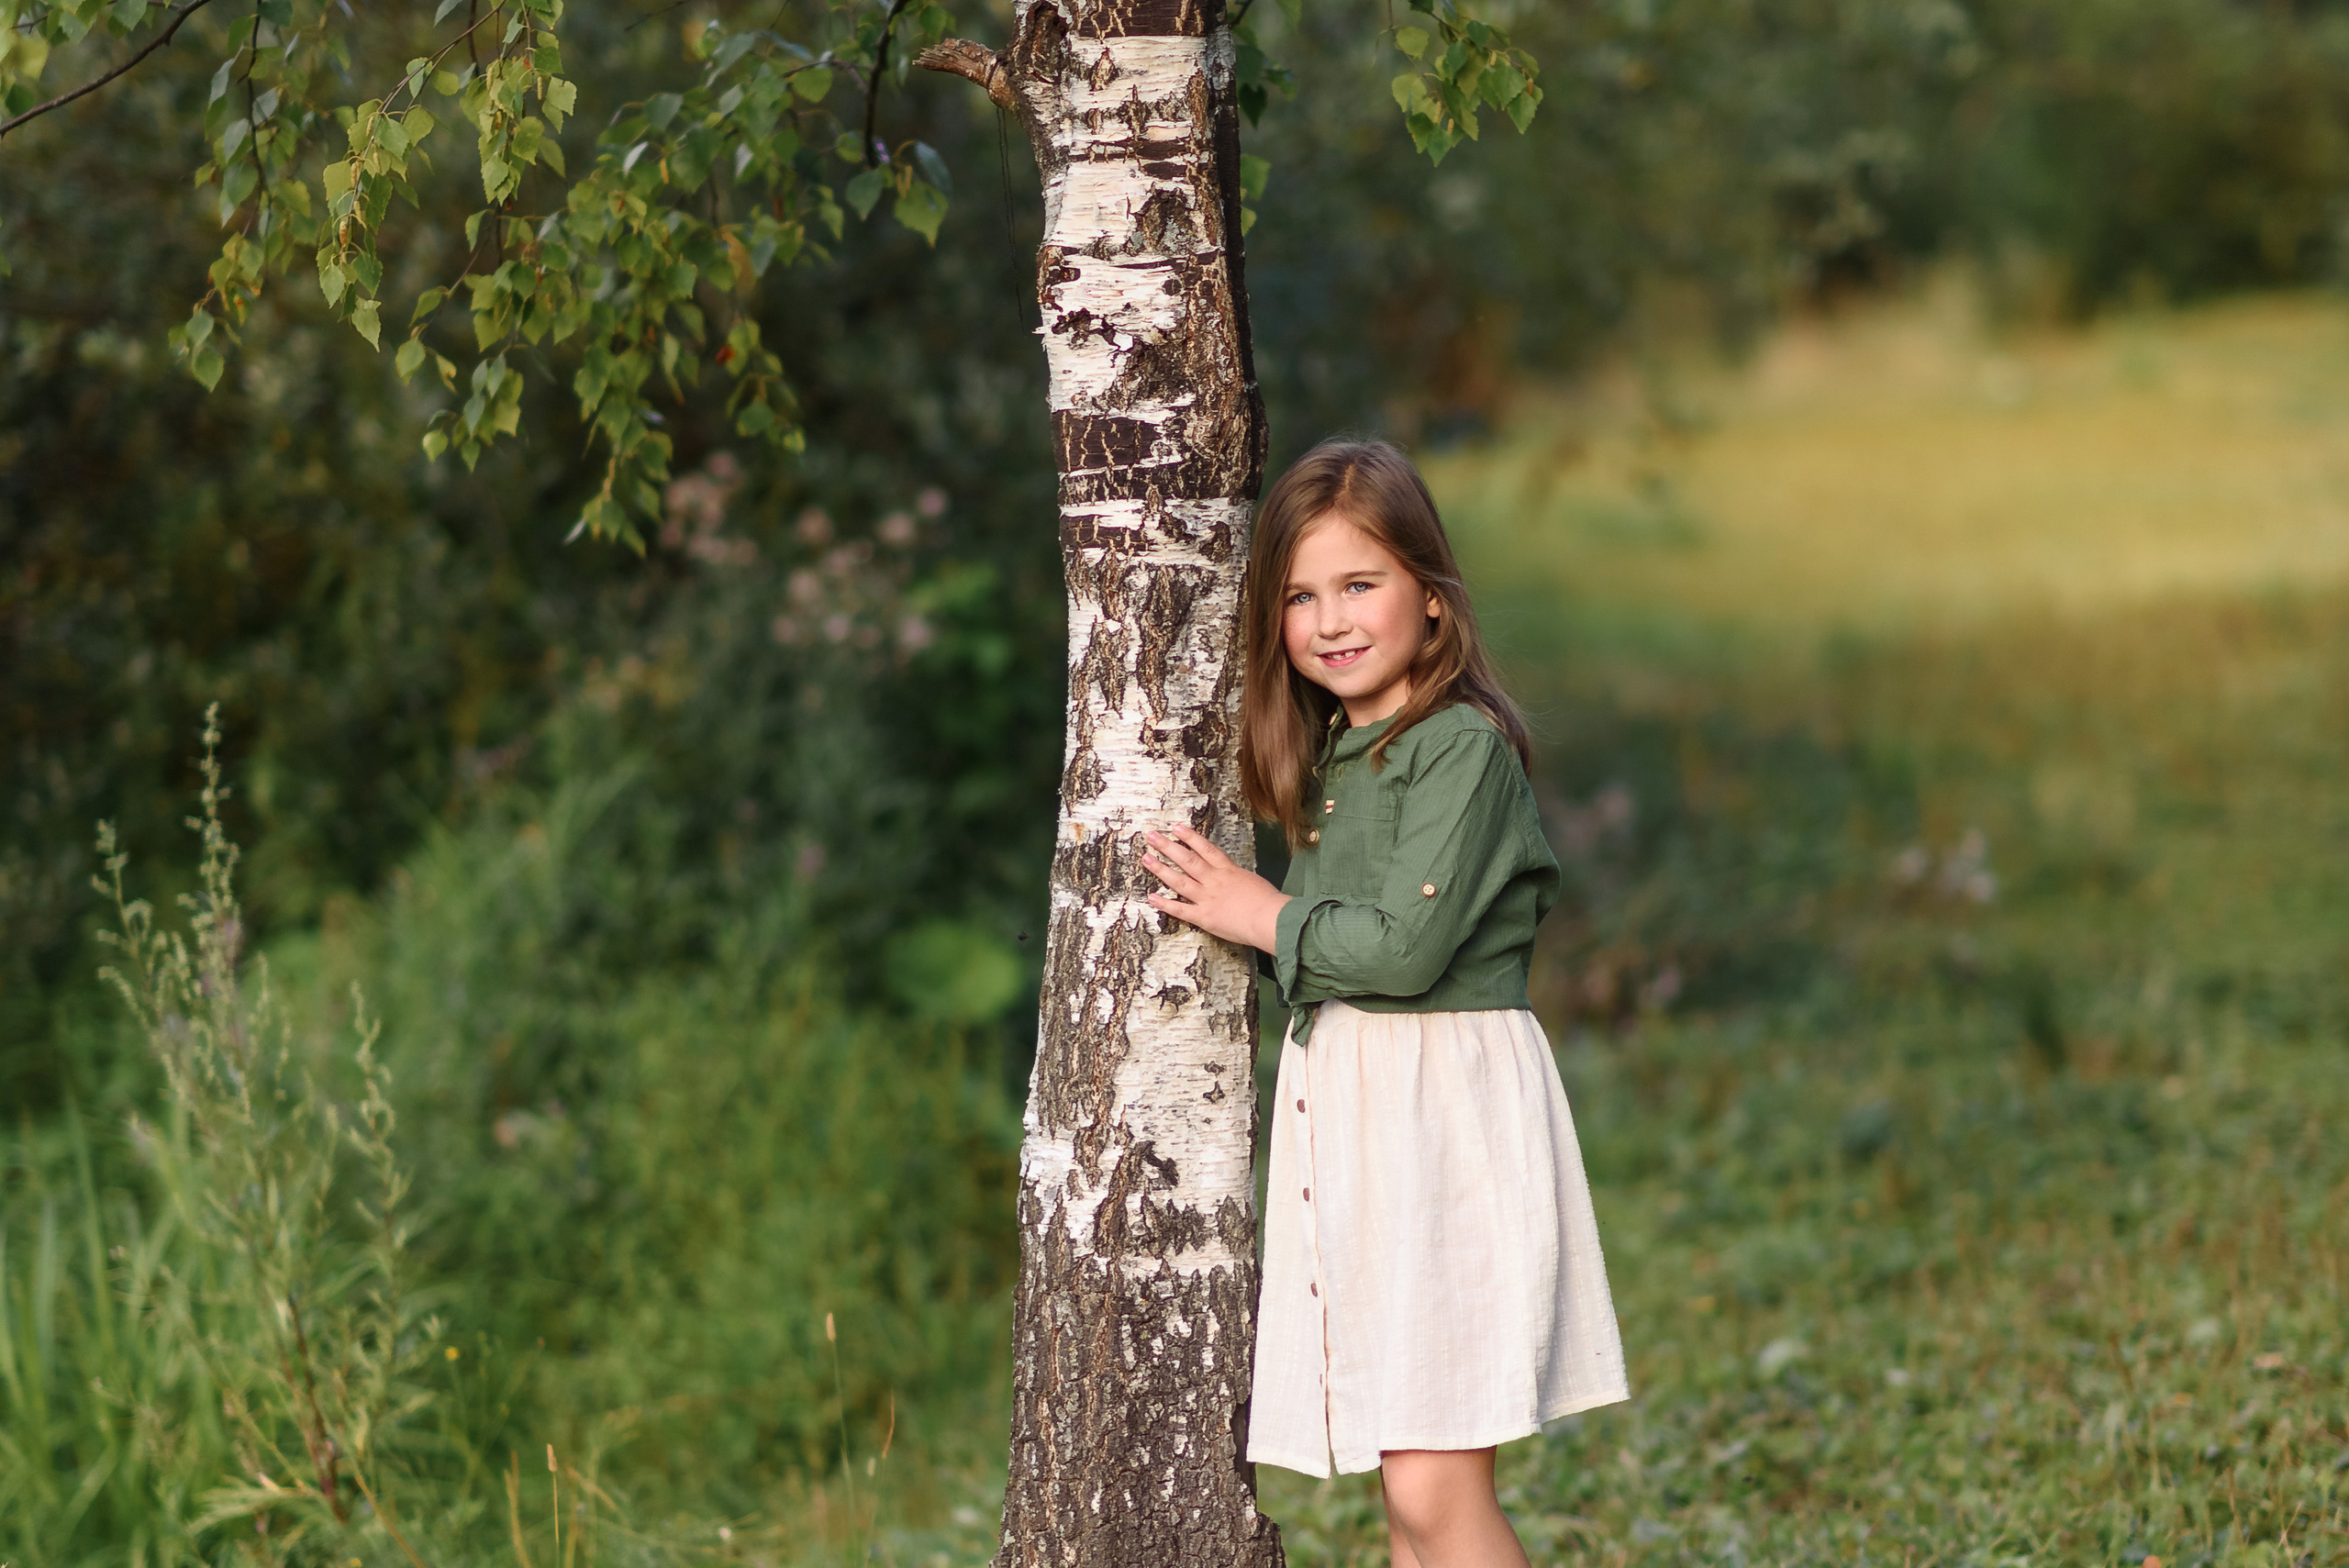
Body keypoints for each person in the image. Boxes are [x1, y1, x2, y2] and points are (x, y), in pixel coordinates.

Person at [1140, 439, 1630, 1568]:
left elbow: (1405, 952)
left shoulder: (1460, 747)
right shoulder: (1334, 753)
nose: (1331, 619)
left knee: (1429, 1483)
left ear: (1431, 597)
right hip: (1359, 1118)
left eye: (1360, 584)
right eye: (1301, 596)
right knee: (1407, 1490)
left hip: (1442, 1116)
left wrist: (1260, 913)